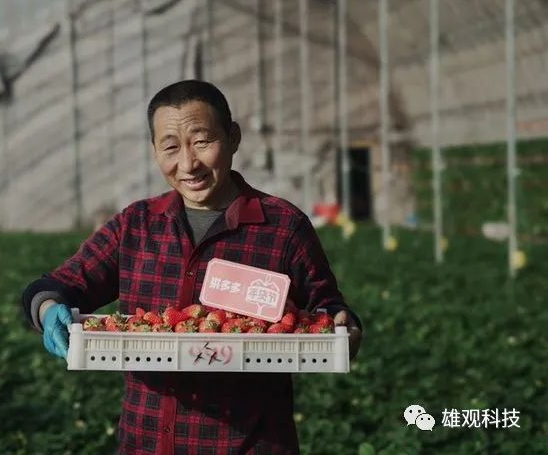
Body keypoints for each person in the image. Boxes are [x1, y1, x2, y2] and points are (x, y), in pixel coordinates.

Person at [21, 79, 363, 454]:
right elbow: (60, 284)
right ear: (154, 151)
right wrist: (48, 307)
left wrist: (343, 326)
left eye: (202, 142)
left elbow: (328, 309)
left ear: (233, 138)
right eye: (170, 147)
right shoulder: (137, 224)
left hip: (248, 445)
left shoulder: (282, 227)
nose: (188, 164)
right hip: (146, 443)